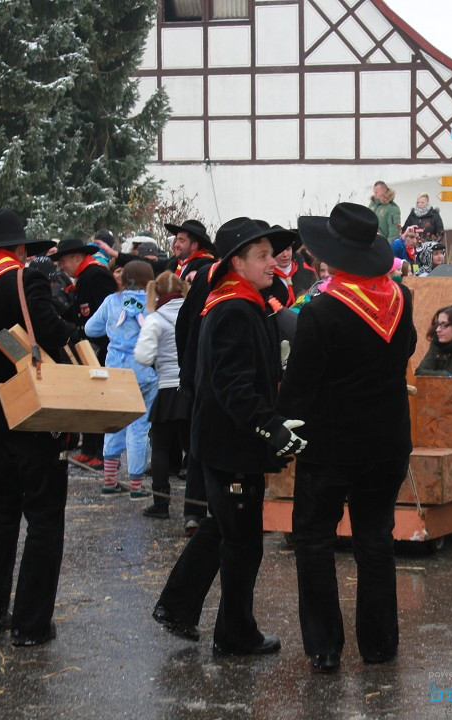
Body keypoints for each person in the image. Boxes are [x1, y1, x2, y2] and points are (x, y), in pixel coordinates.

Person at [279, 201, 417, 673]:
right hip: (388, 440)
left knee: (315, 539)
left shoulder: (321, 312)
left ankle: (324, 647)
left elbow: (299, 386)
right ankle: (379, 645)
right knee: (375, 540)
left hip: (332, 445)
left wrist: (279, 425)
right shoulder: (403, 299)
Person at [0, 208, 79, 647]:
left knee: (1, 513)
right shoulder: (25, 279)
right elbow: (53, 333)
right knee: (44, 518)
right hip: (31, 407)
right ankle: (31, 623)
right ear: (20, 247)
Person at [191, 217, 302, 656]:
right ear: (236, 262)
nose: (272, 263)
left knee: (230, 535)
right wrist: (269, 426)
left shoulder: (241, 300)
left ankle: (184, 609)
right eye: (262, 256)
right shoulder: (234, 306)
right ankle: (235, 634)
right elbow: (233, 386)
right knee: (241, 546)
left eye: (271, 255)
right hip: (232, 444)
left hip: (229, 441)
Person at [85, 261, 158, 497]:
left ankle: (110, 481)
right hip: (143, 371)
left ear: (123, 278)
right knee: (139, 427)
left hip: (115, 372)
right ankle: (136, 485)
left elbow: (90, 329)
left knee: (113, 423)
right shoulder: (152, 303)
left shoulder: (111, 302)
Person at [51, 237, 118, 470]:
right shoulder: (84, 277)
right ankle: (89, 449)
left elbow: (105, 312)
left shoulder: (96, 275)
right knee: (88, 398)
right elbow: (78, 313)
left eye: (63, 260)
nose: (60, 266)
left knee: (99, 399)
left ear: (77, 257)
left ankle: (99, 452)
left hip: (100, 348)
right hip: (87, 346)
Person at [134, 271, 187, 519]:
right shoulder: (193, 313)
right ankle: (196, 509)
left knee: (161, 448)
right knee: (195, 449)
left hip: (167, 387)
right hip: (191, 387)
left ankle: (161, 503)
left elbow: (143, 356)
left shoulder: (155, 319)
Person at [273, 242, 315, 307]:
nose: (285, 254)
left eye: (288, 249)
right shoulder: (265, 279)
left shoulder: (309, 274)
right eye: (280, 250)